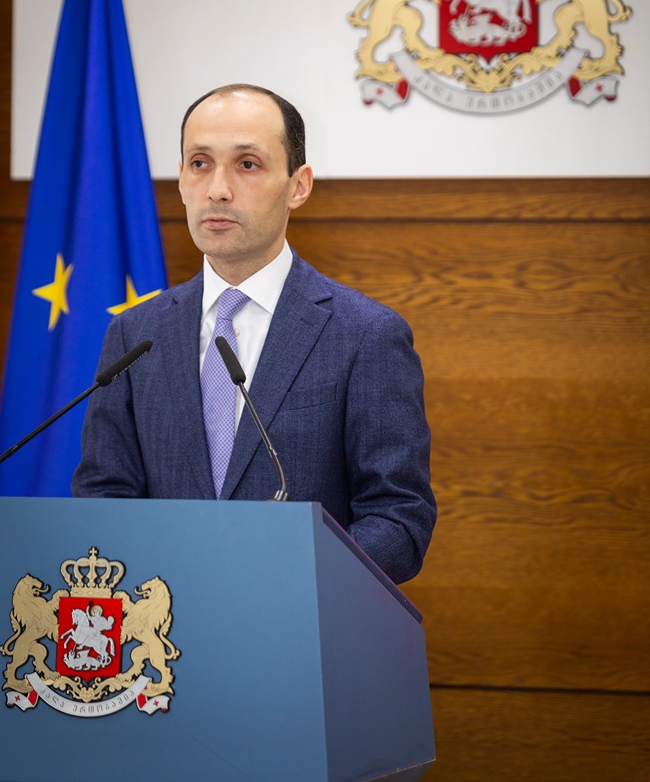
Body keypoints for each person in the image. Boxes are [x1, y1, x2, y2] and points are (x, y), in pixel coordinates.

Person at [72, 84, 436, 584]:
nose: (217, 189)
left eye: (247, 164)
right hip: (163, 624)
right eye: (200, 163)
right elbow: (103, 496)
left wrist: (288, 579)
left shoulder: (365, 336)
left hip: (299, 619)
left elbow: (399, 517)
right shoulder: (134, 335)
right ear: (181, 181)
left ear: (298, 186)